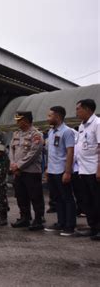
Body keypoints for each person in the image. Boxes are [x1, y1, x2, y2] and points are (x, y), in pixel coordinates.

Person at [9, 111, 45, 231]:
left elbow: (34, 153)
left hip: (31, 171)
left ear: (25, 120)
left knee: (35, 196)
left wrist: (18, 165)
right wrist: (12, 164)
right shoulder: (16, 134)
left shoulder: (36, 134)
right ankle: (25, 218)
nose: (17, 122)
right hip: (18, 171)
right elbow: (11, 150)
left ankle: (38, 219)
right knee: (21, 196)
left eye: (19, 120)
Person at [43, 106, 76, 236]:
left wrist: (67, 172)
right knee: (57, 198)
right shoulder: (51, 132)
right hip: (52, 170)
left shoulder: (67, 131)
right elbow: (51, 153)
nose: (48, 118)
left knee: (67, 198)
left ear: (57, 116)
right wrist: (47, 168)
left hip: (62, 170)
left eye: (50, 116)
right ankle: (60, 223)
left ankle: (70, 225)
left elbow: (70, 152)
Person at [74, 99, 100, 241]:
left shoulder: (97, 124)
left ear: (88, 109)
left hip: (94, 170)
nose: (76, 112)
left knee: (97, 201)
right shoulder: (82, 126)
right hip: (83, 170)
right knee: (87, 201)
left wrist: (99, 170)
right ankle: (93, 228)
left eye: (78, 109)